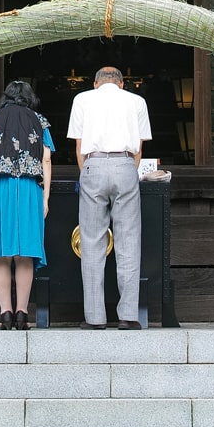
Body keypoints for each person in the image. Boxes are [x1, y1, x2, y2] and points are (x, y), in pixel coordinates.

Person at [66, 65, 152, 329]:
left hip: (92, 163)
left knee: (92, 241)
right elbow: (139, 149)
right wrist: (128, 170)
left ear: (95, 83)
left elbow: (78, 146)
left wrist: (87, 172)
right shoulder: (137, 101)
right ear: (122, 83)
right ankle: (128, 316)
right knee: (129, 240)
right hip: (125, 164)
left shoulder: (82, 99)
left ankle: (95, 318)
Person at [0, 80, 53, 330]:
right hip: (29, 189)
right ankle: (22, 314)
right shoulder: (39, 121)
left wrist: (2, 161)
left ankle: (5, 315)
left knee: (0, 253)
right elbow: (46, 159)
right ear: (30, 98)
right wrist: (45, 198)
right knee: (25, 254)